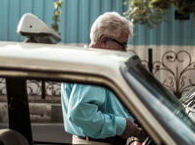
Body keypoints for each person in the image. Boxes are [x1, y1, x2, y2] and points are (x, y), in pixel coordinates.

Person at [61, 12, 142, 145]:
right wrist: (122, 126)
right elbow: (81, 114)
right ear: (104, 41)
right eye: (123, 45)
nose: (124, 51)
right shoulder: (92, 64)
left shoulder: (91, 61)